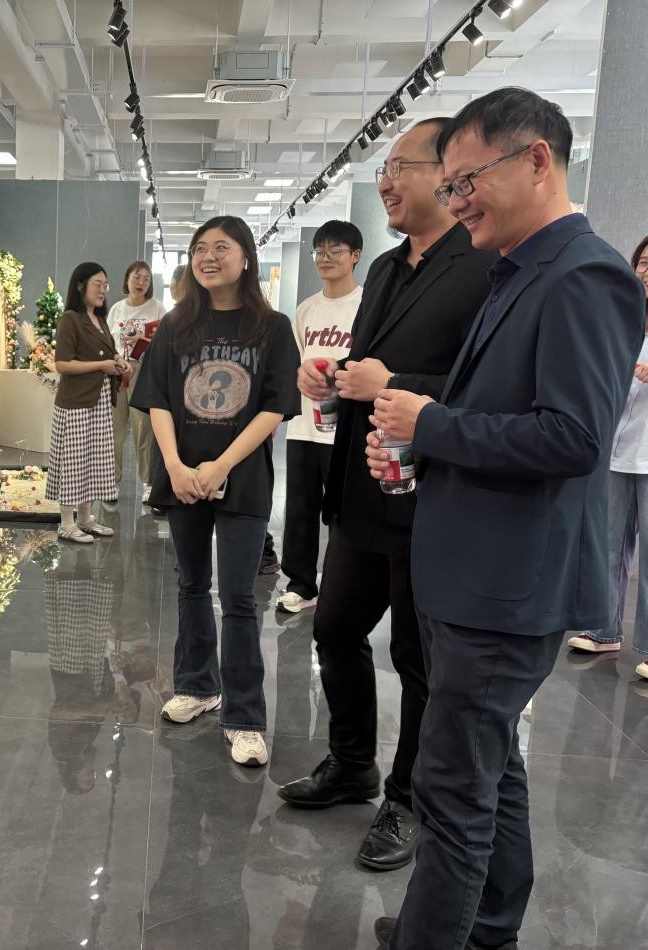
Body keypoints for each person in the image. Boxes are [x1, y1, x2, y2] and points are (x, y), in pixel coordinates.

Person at [368, 88, 643, 950]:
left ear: (536, 160)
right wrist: (423, 432)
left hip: (504, 587)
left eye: (466, 180)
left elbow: (573, 437)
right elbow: (504, 409)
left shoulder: (584, 275)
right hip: (471, 575)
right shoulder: (521, 270)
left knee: (452, 790)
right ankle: (484, 929)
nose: (455, 202)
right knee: (490, 773)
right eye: (448, 185)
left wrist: (431, 425)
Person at [278, 118, 499, 876]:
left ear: (447, 172)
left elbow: (488, 390)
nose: (385, 183)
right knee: (334, 629)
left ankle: (406, 797)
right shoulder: (384, 267)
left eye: (400, 167)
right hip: (361, 489)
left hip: (430, 498)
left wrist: (393, 384)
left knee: (415, 659)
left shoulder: (480, 265)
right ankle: (351, 764)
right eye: (383, 169)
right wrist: (332, 384)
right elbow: (366, 368)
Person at [131, 215, 301, 767]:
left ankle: (246, 716)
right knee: (190, 585)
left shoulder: (272, 327)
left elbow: (275, 407)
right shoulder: (176, 323)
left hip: (242, 477)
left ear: (245, 256)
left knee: (238, 598)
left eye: (221, 247)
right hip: (182, 476)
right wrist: (176, 466)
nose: (208, 257)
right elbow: (157, 398)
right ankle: (197, 685)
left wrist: (221, 464)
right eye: (200, 248)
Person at [568, 226, 648, 683]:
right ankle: (601, 628)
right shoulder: (629, 314)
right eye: (643, 263)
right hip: (617, 447)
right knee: (603, 544)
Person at [275, 220, 364, 614]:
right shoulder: (306, 309)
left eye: (335, 251)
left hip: (346, 429)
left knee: (345, 511)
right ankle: (301, 584)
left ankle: (345, 585)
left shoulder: (366, 305)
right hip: (304, 426)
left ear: (355, 256)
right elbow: (295, 365)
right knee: (300, 509)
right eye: (319, 251)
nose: (325, 258)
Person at [46, 263, 128, 543]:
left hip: (99, 401)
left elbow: (109, 352)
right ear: (81, 285)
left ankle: (85, 518)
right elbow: (62, 364)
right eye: (97, 284)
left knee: (92, 460)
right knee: (74, 462)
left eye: (106, 284)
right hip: (76, 403)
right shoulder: (71, 319)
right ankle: (66, 523)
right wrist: (102, 366)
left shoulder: (100, 319)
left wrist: (118, 360)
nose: (103, 290)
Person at [108, 261, 166, 504]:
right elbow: (107, 341)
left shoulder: (158, 308)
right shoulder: (116, 309)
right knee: (114, 429)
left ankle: (148, 482)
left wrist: (145, 340)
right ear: (127, 280)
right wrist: (116, 359)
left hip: (143, 372)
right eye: (136, 277)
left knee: (144, 429)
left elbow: (167, 343)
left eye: (146, 278)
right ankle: (111, 481)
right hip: (116, 371)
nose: (141, 282)